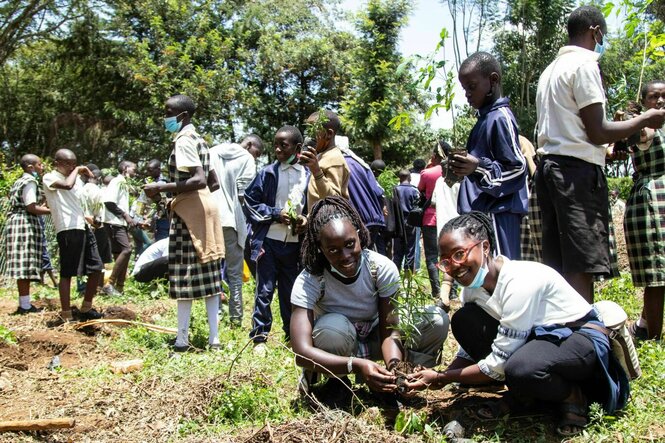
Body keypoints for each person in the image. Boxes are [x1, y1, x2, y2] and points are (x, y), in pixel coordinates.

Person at [405, 212, 628, 437]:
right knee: (464, 320)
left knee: (521, 369)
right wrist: (441, 373)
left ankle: (572, 396)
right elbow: (471, 352)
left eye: (460, 254)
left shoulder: (520, 281)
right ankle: (529, 392)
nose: (454, 266)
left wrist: (443, 378)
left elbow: (498, 365)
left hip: (577, 339)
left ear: (484, 247)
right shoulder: (472, 289)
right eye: (446, 261)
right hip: (537, 341)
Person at [535, 5, 665, 302]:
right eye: (602, 36)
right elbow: (597, 130)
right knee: (580, 262)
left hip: (551, 169)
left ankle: (563, 331)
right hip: (574, 176)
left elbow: (575, 132)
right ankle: (584, 337)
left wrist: (605, 150)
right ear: (596, 32)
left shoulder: (550, 71)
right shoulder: (584, 65)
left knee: (559, 261)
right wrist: (644, 120)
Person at [290, 196, 448, 403]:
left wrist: (394, 369)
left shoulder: (380, 268)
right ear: (320, 247)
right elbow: (301, 352)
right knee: (332, 327)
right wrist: (354, 365)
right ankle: (336, 383)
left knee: (435, 319)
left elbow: (390, 330)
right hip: (338, 347)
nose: (345, 255)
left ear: (359, 233)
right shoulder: (309, 280)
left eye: (349, 244)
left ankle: (405, 381)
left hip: (375, 338)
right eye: (333, 250)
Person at [143, 94, 224, 351]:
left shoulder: (183, 141)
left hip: (189, 213)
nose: (165, 117)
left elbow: (199, 179)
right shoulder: (201, 140)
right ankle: (215, 340)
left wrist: (160, 187)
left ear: (182, 115)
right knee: (210, 274)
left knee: (183, 274)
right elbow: (214, 183)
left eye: (168, 112)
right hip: (207, 209)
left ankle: (182, 340)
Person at [452, 51, 528, 260]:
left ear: (493, 80)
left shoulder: (499, 118)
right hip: (483, 214)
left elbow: (517, 169)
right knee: (486, 281)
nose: (467, 94)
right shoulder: (484, 120)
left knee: (502, 275)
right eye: (464, 89)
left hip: (498, 214)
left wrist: (477, 167)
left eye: (472, 87)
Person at [243, 126, 309, 354]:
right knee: (265, 289)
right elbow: (250, 202)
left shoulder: (307, 175)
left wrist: (304, 220)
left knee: (291, 292)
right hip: (268, 242)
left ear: (298, 148)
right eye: (276, 144)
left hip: (294, 245)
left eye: (284, 145)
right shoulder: (268, 173)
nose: (278, 149)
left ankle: (292, 336)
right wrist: (274, 213)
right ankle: (260, 338)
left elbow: (313, 206)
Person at [42, 149, 104, 322]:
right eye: (67, 164)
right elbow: (67, 186)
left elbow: (74, 205)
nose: (71, 167)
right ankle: (66, 314)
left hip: (82, 226)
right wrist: (77, 170)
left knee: (96, 267)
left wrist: (90, 219)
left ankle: (86, 308)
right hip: (67, 229)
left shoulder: (76, 181)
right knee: (67, 273)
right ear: (57, 163)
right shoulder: (49, 177)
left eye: (74, 163)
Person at [624, 80, 665, 340]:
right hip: (652, 200)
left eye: (664, 97)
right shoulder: (646, 126)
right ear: (644, 100)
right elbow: (641, 137)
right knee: (657, 274)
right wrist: (638, 120)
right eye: (654, 96)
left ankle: (643, 326)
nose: (660, 101)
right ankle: (653, 337)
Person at [209, 135, 258, 327]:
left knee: (212, 272)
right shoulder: (247, 159)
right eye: (258, 152)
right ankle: (236, 319)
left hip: (210, 218)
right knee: (235, 274)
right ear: (249, 145)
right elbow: (242, 194)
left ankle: (215, 315)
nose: (256, 156)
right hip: (231, 221)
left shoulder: (211, 152)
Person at [3, 154, 51, 314]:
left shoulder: (19, 181)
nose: (42, 167)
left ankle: (24, 303)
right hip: (24, 224)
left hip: (16, 222)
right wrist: (52, 211)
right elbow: (31, 207)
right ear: (31, 167)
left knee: (23, 264)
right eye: (40, 164)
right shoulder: (30, 181)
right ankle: (24, 306)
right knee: (25, 264)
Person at [300, 110, 350, 212]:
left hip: (327, 224)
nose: (309, 136)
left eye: (313, 131)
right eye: (308, 130)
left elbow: (334, 200)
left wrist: (316, 171)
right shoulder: (322, 156)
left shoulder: (334, 158)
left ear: (329, 134)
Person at [102, 160, 138, 296]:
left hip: (119, 223)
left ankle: (120, 287)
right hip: (114, 222)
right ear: (125, 168)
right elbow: (109, 202)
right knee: (127, 250)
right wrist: (125, 216)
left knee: (120, 254)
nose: (135, 173)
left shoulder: (124, 184)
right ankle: (109, 283)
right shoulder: (117, 181)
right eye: (133, 170)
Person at [418, 144, 444, 300]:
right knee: (451, 255)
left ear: (435, 156)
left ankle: (436, 291)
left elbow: (420, 189)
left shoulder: (427, 173)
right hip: (450, 218)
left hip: (430, 219)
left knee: (432, 256)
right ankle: (452, 291)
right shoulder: (454, 172)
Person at [392, 169, 420, 272]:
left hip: (397, 224)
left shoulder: (394, 190)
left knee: (397, 252)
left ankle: (395, 275)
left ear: (399, 178)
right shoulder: (414, 190)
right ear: (410, 178)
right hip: (411, 223)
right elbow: (417, 208)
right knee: (410, 250)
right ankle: (408, 277)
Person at [143, 159, 170, 241]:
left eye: (150, 171)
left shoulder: (163, 182)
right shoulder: (151, 182)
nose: (148, 173)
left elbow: (161, 200)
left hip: (165, 218)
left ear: (158, 169)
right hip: (158, 219)